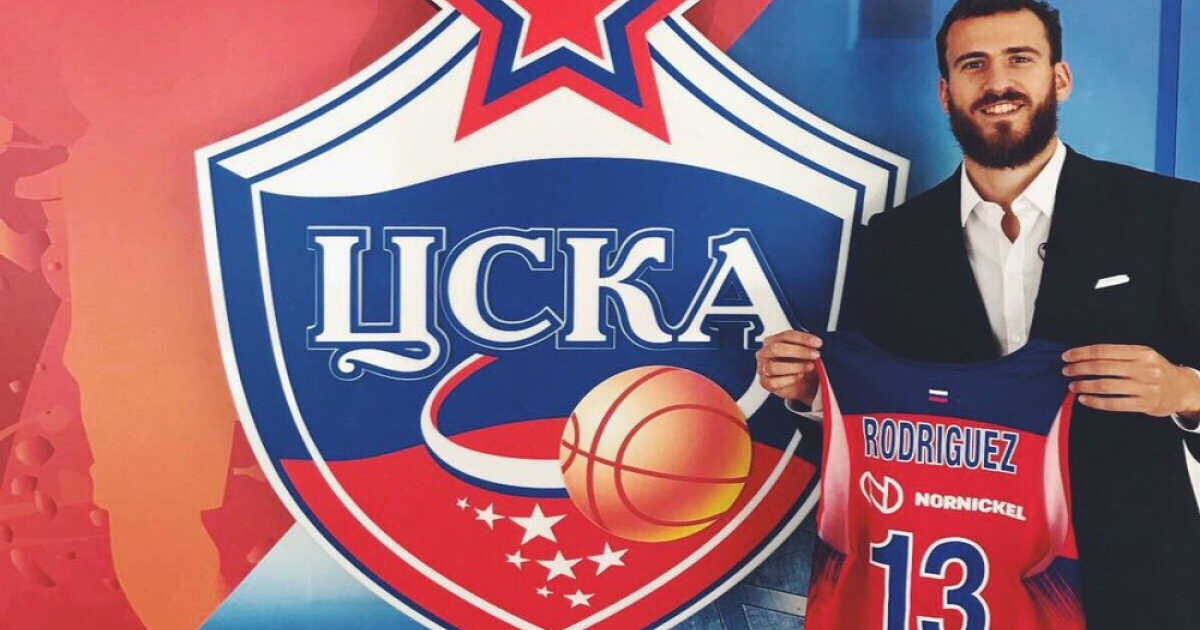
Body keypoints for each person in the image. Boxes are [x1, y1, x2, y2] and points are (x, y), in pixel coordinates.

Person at [756, 0, 1200, 627]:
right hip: (958, 584)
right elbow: (878, 419)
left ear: (1059, 78)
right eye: (973, 64)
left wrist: (1183, 390)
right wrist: (811, 393)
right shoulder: (895, 240)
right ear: (946, 92)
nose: (998, 83)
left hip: (1134, 581)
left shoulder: (1170, 213)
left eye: (1020, 59)